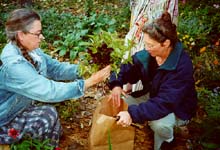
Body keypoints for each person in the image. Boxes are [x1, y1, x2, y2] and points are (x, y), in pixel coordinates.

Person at [0, 8, 111, 148]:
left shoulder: (31, 50)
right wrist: (90, 82)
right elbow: (50, 92)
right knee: (47, 116)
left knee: (50, 113)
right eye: (38, 34)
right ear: (21, 35)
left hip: (21, 106)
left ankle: (53, 141)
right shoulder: (13, 64)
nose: (42, 37)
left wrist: (86, 70)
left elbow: (56, 69)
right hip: (5, 120)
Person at [109, 12, 197, 150]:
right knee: (118, 101)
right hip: (154, 95)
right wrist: (116, 84)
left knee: (158, 125)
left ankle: (168, 140)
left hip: (177, 107)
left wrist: (132, 114)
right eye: (145, 44)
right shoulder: (149, 55)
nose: (146, 48)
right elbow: (123, 68)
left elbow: (165, 103)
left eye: (150, 45)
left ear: (166, 43)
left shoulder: (182, 66)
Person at [125, 0, 178, 93]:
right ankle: (130, 86)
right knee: (135, 51)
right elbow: (135, 8)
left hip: (156, 33)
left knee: (148, 54)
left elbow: (168, 19)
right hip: (141, 26)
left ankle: (143, 90)